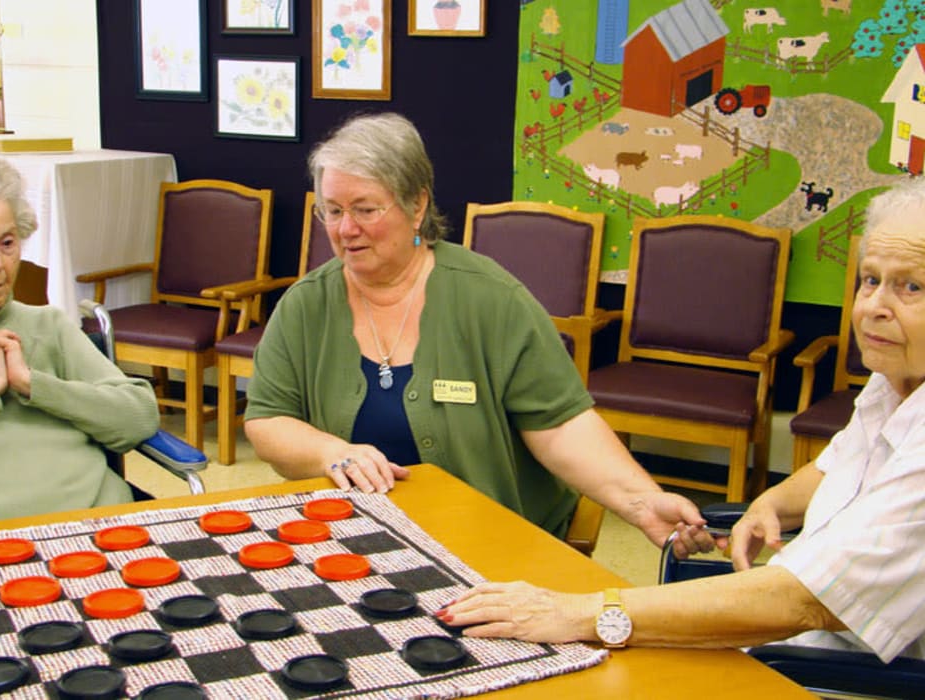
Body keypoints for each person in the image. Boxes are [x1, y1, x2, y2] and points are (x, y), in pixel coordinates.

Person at [439, 177, 925, 663]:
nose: (874, 308)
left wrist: (581, 613)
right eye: (870, 280)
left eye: (911, 287)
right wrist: (771, 502)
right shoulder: (896, 377)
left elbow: (805, 601)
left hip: (836, 667)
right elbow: (835, 468)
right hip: (790, 628)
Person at [243, 111, 712, 556]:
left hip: (484, 547)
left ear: (417, 203)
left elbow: (561, 426)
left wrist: (640, 502)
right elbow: (267, 421)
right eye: (332, 211)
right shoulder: (306, 305)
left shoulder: (492, 299)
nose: (346, 229)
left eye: (365, 209)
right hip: (350, 541)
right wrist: (331, 452)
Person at [0, 149, 159, 528]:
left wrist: (33, 384)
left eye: (7, 242)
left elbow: (138, 418)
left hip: (101, 527)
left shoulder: (50, 325)